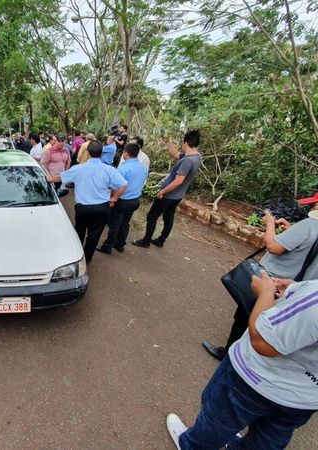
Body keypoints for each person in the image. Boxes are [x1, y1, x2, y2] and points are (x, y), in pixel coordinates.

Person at [167, 273, 318, 450]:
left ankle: (191, 445)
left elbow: (262, 341)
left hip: (255, 379)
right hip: (305, 398)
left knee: (218, 421)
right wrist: (297, 292)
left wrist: (265, 293)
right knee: (267, 439)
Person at [202, 193, 318, 361]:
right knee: (265, 318)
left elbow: (273, 246)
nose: (311, 207)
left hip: (273, 279)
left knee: (245, 315)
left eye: (314, 204)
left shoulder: (309, 225)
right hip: (291, 286)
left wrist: (270, 225)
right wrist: (290, 231)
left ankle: (229, 354)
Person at [46, 140, 127, 262]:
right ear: (101, 154)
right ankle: (87, 258)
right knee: (94, 236)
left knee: (79, 232)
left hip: (83, 208)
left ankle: (76, 257)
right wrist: (114, 198)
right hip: (102, 208)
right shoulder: (109, 170)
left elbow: (59, 178)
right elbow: (123, 184)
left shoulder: (78, 169)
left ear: (88, 152)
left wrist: (49, 178)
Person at [133, 130, 202, 248]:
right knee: (168, 217)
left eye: (182, 143)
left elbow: (178, 181)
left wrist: (163, 191)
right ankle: (160, 241)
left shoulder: (187, 161)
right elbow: (176, 155)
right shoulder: (196, 157)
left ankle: (146, 241)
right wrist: (168, 142)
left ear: (185, 143)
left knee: (152, 216)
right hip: (178, 196)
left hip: (169, 195)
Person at [97, 143, 148, 254]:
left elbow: (116, 186)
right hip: (135, 200)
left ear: (126, 153)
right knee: (125, 223)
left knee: (114, 224)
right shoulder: (143, 168)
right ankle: (120, 244)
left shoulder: (124, 168)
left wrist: (113, 198)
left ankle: (107, 246)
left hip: (122, 201)